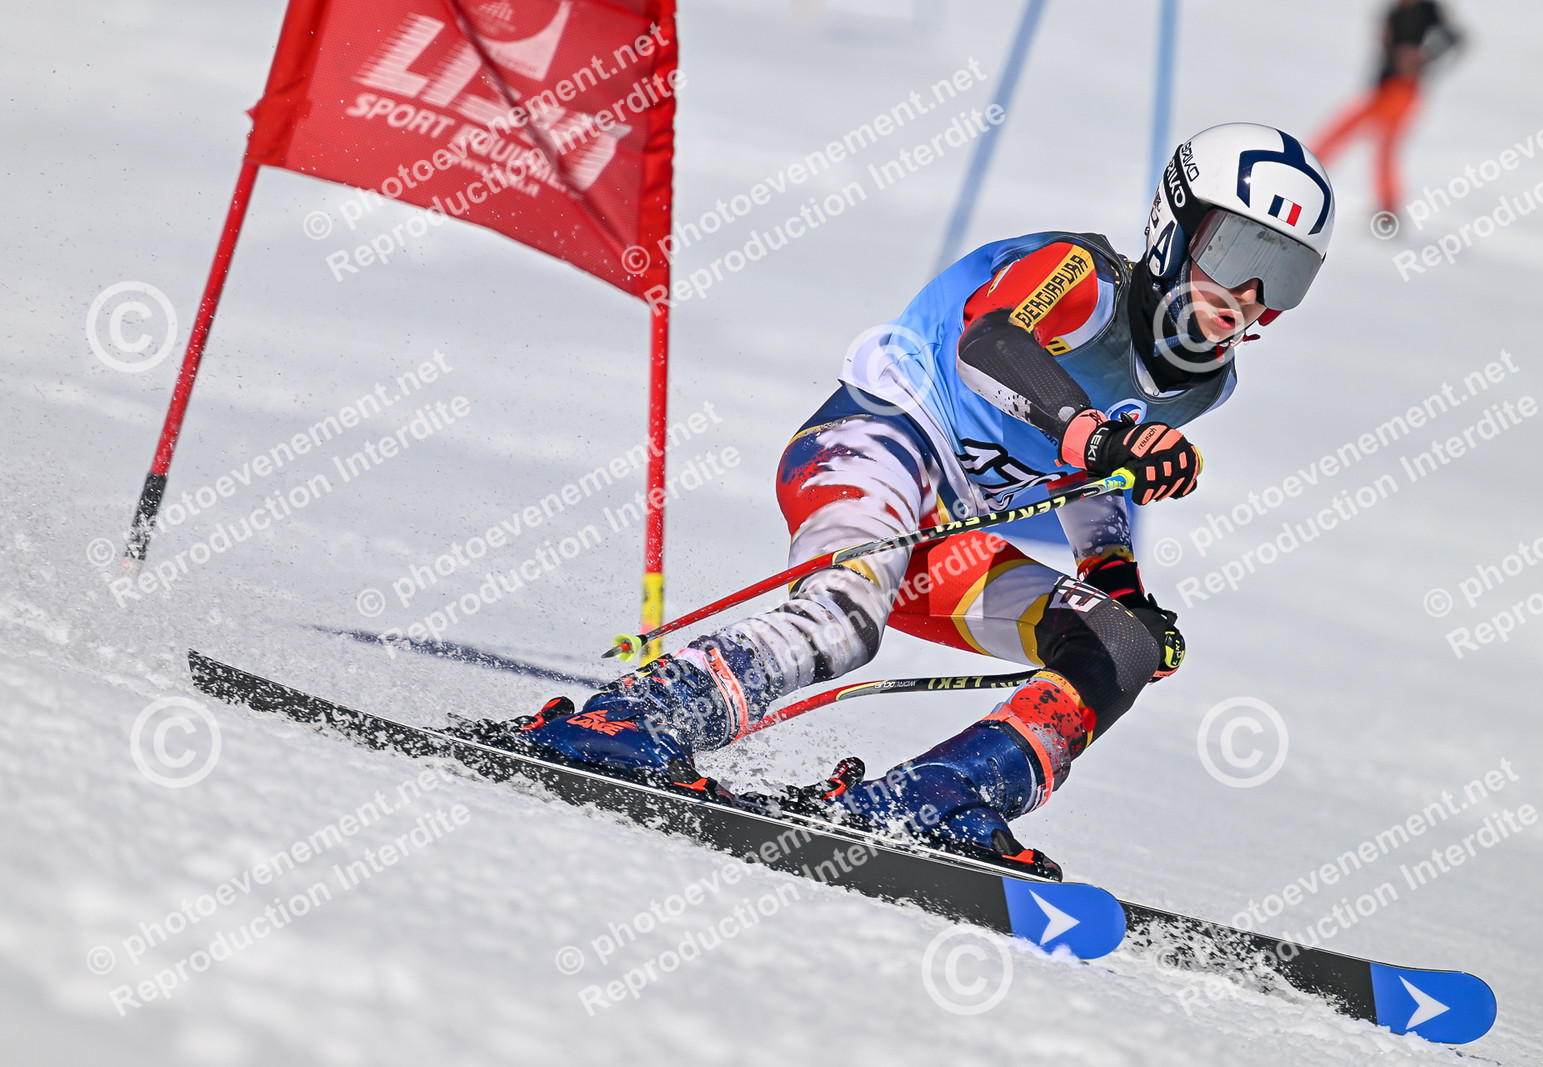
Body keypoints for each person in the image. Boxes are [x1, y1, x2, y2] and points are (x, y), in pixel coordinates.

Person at [475, 123, 1335, 875]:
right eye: (1239, 254)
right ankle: (631, 717)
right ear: (1173, 226)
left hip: (941, 538)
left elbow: (1087, 479)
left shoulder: (1203, 385)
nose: (1250, 297)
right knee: (845, 622)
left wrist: (1119, 583)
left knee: (1118, 646)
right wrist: (1099, 437)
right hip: (872, 443)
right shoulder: (1081, 276)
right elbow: (990, 343)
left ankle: (938, 795)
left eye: (1285, 274)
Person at [1311, 0, 1462, 217]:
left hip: (1404, 90)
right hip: (1382, 88)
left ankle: (1388, 207)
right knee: (1346, 131)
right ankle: (1306, 168)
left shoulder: (1428, 10)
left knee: (1382, 145)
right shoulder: (1394, 12)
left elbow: (1455, 38)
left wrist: (1425, 57)